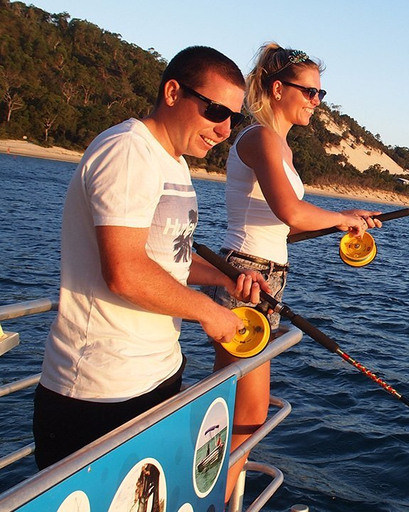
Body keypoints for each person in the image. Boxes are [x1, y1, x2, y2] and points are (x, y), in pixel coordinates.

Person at [33, 46, 268, 470]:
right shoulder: (128, 152)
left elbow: (166, 258)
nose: (224, 129)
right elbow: (124, 271)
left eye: (233, 118)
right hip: (100, 390)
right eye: (216, 111)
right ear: (173, 92)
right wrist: (209, 314)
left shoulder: (173, 162)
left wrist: (226, 279)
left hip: (157, 374)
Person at [204, 42, 381, 499]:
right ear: (278, 88)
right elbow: (289, 209)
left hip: (264, 273)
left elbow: (283, 224)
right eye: (309, 92)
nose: (316, 102)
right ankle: (219, 500)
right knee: (245, 411)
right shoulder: (260, 136)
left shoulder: (275, 142)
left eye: (320, 94)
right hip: (246, 277)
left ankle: (221, 497)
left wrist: (345, 219)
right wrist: (341, 217)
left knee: (243, 408)